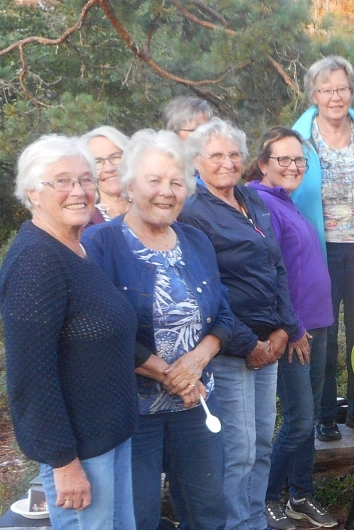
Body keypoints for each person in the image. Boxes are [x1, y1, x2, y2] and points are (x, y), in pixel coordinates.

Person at [82, 129, 231, 530]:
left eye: (176, 182)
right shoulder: (99, 244)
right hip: (132, 413)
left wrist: (198, 359)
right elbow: (96, 330)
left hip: (196, 405)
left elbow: (225, 317)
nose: (166, 191)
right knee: (138, 518)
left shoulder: (196, 241)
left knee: (208, 513)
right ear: (129, 184)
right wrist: (167, 373)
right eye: (154, 180)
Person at [0, 135, 137, 528]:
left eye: (85, 179)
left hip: (109, 438)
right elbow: (30, 377)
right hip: (80, 452)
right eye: (61, 181)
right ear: (32, 193)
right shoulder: (35, 263)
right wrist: (63, 462)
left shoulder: (77, 249)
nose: (78, 191)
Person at [179, 117, 302, 530]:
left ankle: (255, 521)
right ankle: (237, 524)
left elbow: (276, 266)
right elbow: (207, 289)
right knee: (238, 449)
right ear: (196, 160)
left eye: (233, 154)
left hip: (269, 344)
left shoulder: (253, 201)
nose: (227, 162)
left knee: (262, 442)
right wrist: (249, 342)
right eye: (216, 155)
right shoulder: (192, 213)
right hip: (232, 348)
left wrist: (284, 328)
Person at [245, 127, 338, 530]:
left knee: (311, 414)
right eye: (283, 159)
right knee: (299, 419)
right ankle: (264, 497)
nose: (293, 166)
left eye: (299, 159)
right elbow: (273, 276)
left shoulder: (287, 201)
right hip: (297, 331)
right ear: (264, 164)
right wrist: (293, 327)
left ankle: (301, 496)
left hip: (318, 325)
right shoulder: (262, 205)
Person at [291, 55, 354, 441]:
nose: (335, 96)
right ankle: (324, 415)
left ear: (352, 91)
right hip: (319, 251)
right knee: (323, 333)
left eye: (342, 88)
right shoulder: (299, 138)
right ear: (314, 94)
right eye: (326, 89)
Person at [81, 126, 131, 223]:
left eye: (115, 157)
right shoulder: (85, 223)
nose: (109, 168)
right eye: (97, 162)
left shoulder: (150, 210)